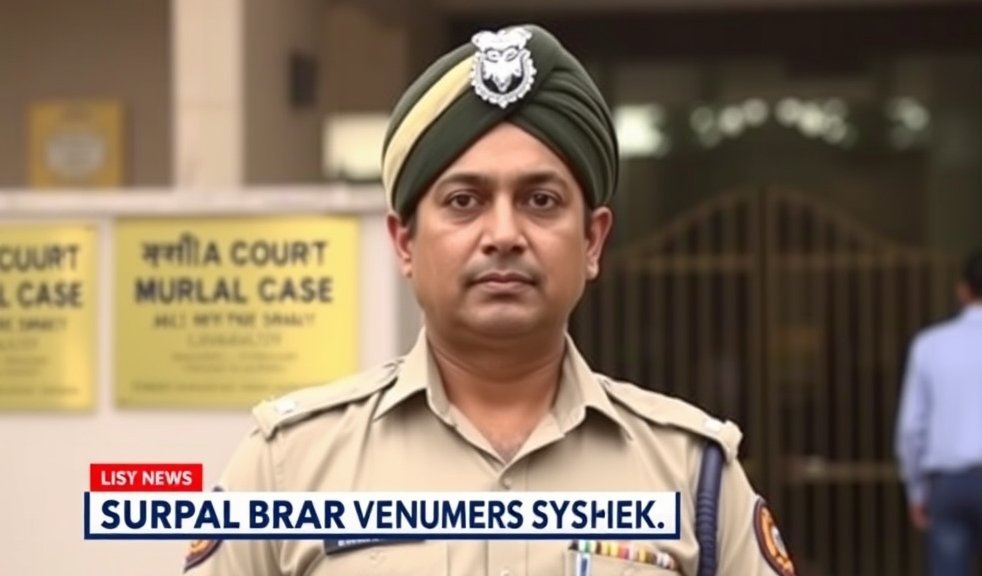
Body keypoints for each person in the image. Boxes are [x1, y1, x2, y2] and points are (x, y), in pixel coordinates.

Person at [182, 23, 795, 576]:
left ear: (592, 239)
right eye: (464, 201)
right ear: (404, 242)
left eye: (541, 200)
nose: (503, 235)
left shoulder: (693, 475)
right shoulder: (286, 469)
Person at [895, 249, 982, 576]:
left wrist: (916, 489)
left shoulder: (929, 345)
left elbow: (911, 428)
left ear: (962, 291)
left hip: (946, 481)